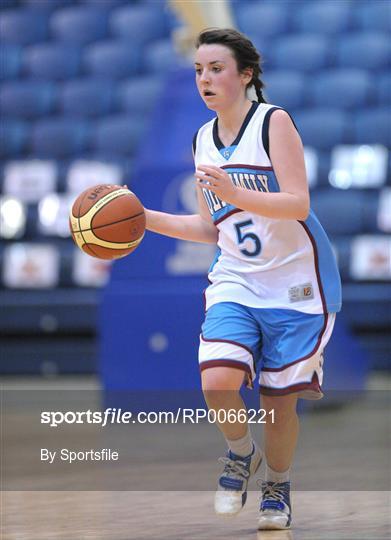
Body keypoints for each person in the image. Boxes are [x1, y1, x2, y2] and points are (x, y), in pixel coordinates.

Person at [144, 28, 342, 531]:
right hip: (237, 277)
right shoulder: (201, 141)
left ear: (246, 74)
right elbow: (214, 228)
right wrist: (143, 217)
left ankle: (277, 486)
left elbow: (298, 202)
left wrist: (236, 188)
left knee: (279, 404)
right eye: (198, 71)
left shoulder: (273, 122)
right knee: (217, 381)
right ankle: (239, 453)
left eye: (215, 69)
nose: (205, 79)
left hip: (298, 282)